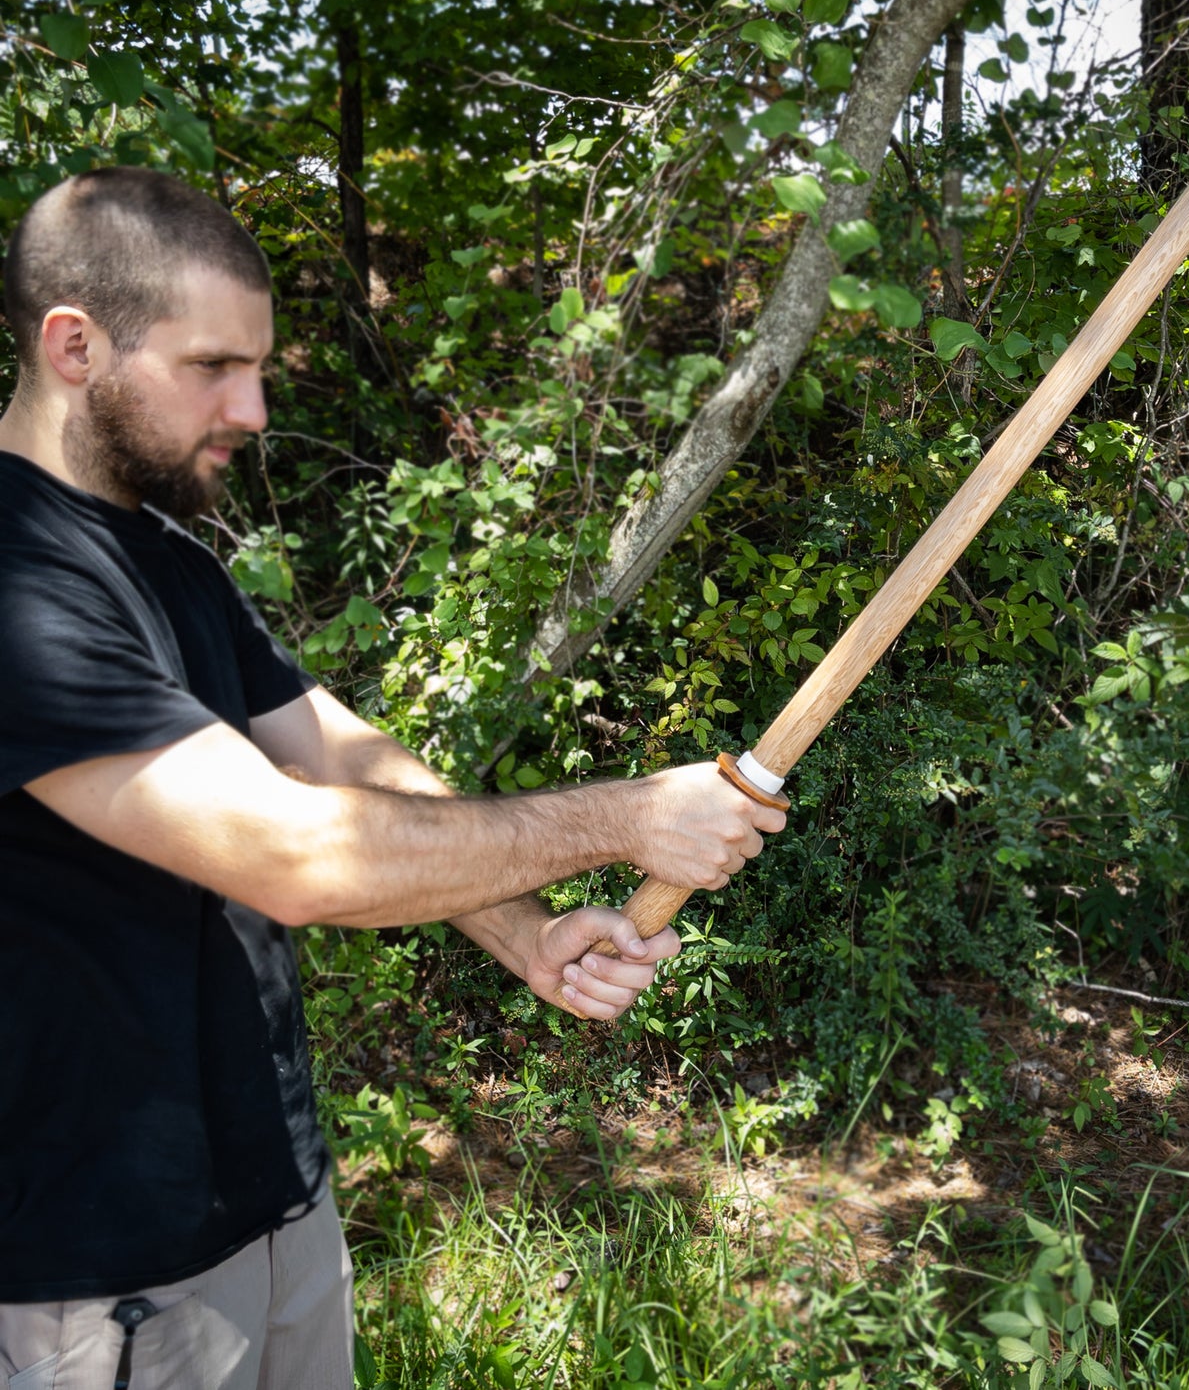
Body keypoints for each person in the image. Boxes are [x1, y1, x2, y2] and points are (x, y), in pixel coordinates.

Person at [0, 166, 786, 1389]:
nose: (254, 407)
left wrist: (524, 936)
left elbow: (342, 752)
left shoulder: (174, 561)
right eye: (215, 365)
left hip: (274, 1205)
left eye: (259, 368)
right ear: (73, 344)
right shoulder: (15, 579)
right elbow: (294, 851)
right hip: (98, 1273)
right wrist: (630, 816)